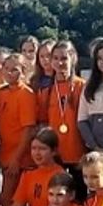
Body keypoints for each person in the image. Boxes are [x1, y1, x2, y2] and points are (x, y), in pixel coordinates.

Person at [38, 41, 87, 183]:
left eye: (64, 58)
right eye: (56, 58)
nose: (60, 63)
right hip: (55, 153)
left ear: (73, 59)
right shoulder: (46, 90)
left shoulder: (82, 86)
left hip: (78, 152)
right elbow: (43, 121)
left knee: (79, 192)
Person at [0, 52, 38, 193]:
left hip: (20, 159)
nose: (9, 73)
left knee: (9, 198)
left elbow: (28, 129)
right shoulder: (0, 93)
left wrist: (16, 159)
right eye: (6, 68)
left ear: (23, 72)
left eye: (14, 70)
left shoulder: (26, 94)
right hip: (4, 155)